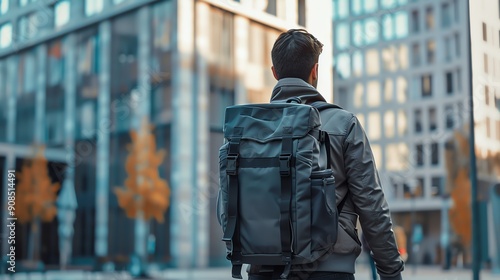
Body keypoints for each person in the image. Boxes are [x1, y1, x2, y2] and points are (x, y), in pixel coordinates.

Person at [247, 29, 405, 280]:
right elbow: (372, 205)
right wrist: (390, 272)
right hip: (330, 270)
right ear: (315, 71)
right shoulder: (344, 124)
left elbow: (229, 204)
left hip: (264, 270)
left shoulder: (249, 128)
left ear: (275, 73)